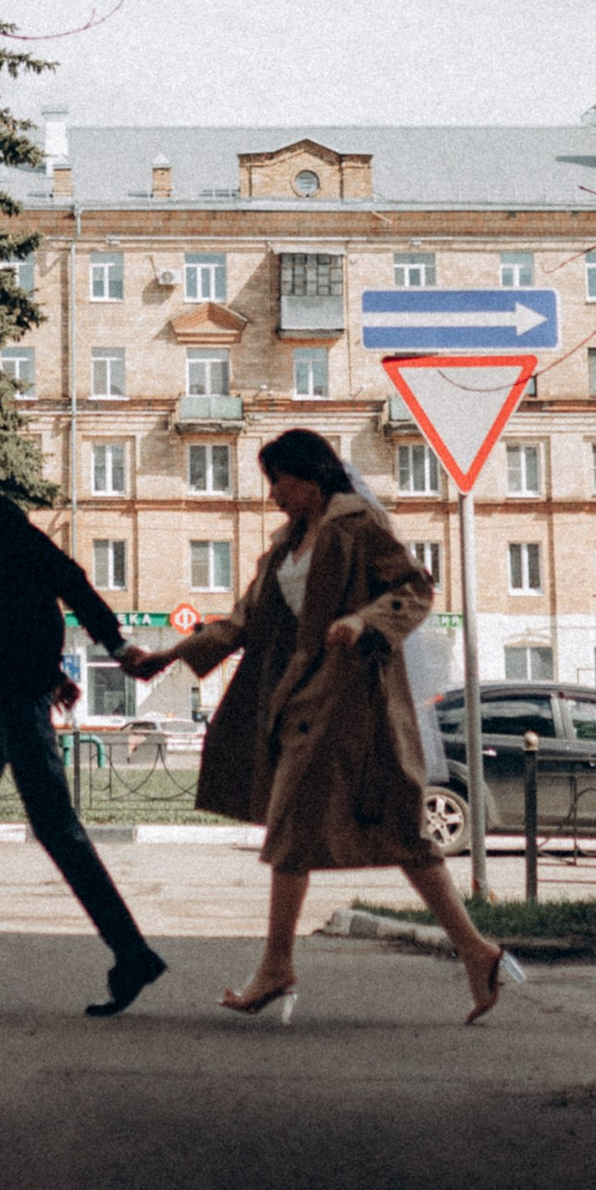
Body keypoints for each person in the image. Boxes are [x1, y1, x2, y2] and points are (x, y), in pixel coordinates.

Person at [121, 426, 522, 1026]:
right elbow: (244, 621)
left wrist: (364, 621)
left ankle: (279, 967)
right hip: (305, 702)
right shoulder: (287, 545)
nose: (273, 494)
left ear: (309, 476)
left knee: (303, 829)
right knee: (389, 833)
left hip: (357, 703)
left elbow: (415, 588)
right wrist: (175, 654)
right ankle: (475, 951)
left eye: (278, 480)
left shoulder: (357, 525)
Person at [0, 394, 168, 1020]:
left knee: (54, 827)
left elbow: (60, 575)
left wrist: (115, 644)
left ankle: (131, 954)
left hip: (11, 701)